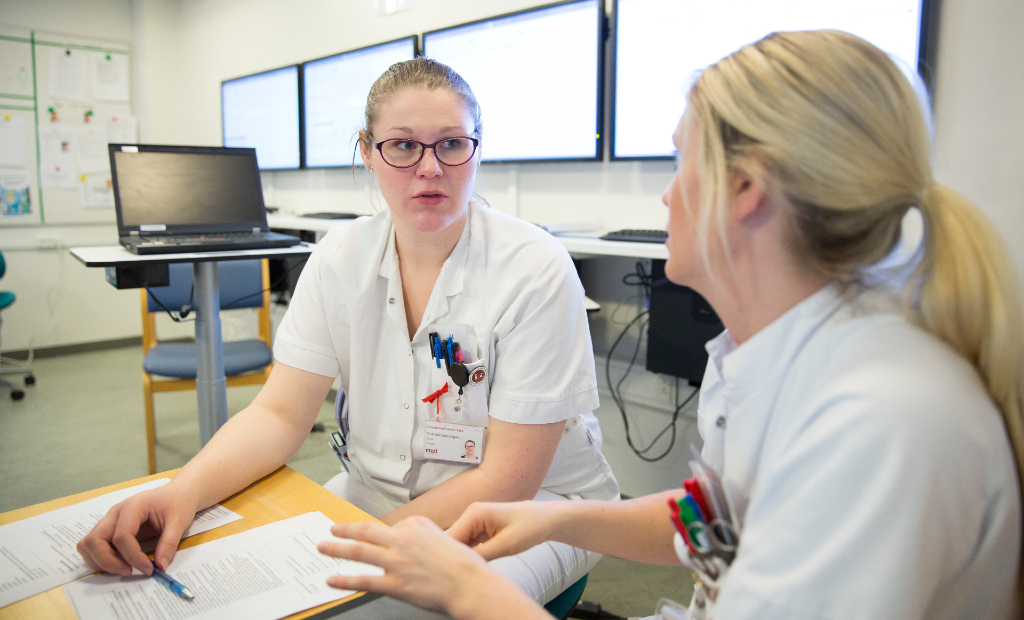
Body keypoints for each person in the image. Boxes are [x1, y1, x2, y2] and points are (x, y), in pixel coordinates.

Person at [316, 30, 1024, 620]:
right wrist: (561, 520)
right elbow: (715, 517)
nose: (664, 191)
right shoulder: (768, 353)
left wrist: (474, 592)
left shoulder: (877, 425)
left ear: (746, 189)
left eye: (683, 160)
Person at [77, 58, 619, 605]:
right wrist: (181, 492)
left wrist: (365, 552)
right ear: (367, 150)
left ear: (477, 147)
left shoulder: (534, 267)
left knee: (401, 604)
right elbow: (279, 414)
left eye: (452, 144)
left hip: (529, 509)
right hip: (375, 490)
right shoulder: (340, 255)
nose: (430, 168)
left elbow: (509, 479)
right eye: (403, 146)